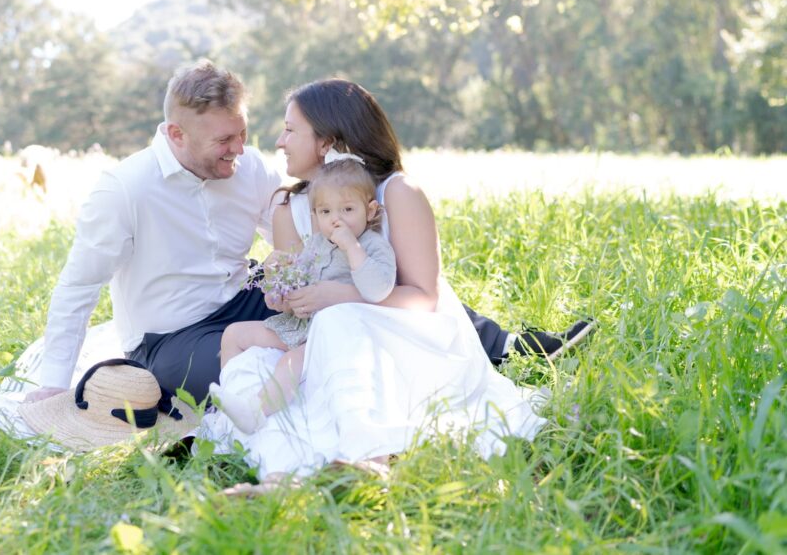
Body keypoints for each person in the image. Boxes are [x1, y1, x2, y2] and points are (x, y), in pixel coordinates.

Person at [198, 79, 585, 481]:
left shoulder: (396, 193)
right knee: (252, 348)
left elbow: (424, 298)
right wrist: (287, 296)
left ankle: (364, 458)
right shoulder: (287, 205)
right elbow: (299, 281)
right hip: (317, 331)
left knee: (335, 322)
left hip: (403, 334)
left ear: (327, 141)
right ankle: (275, 460)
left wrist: (339, 297)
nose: (280, 141)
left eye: (291, 130)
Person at [22, 59, 282, 406]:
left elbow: (291, 235)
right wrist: (54, 384)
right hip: (171, 339)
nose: (238, 149)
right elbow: (79, 286)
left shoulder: (249, 166)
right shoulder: (124, 189)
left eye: (242, 134)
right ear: (177, 134)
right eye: (223, 140)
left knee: (334, 318)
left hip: (247, 297)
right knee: (254, 372)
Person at [210, 158, 397, 433]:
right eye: (325, 212)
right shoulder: (316, 245)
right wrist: (281, 297)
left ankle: (255, 412)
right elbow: (299, 289)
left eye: (347, 209)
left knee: (292, 362)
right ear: (315, 215)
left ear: (370, 211)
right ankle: (231, 404)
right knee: (234, 335)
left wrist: (351, 246)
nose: (336, 220)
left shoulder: (372, 246)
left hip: (338, 334)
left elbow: (378, 290)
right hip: (303, 327)